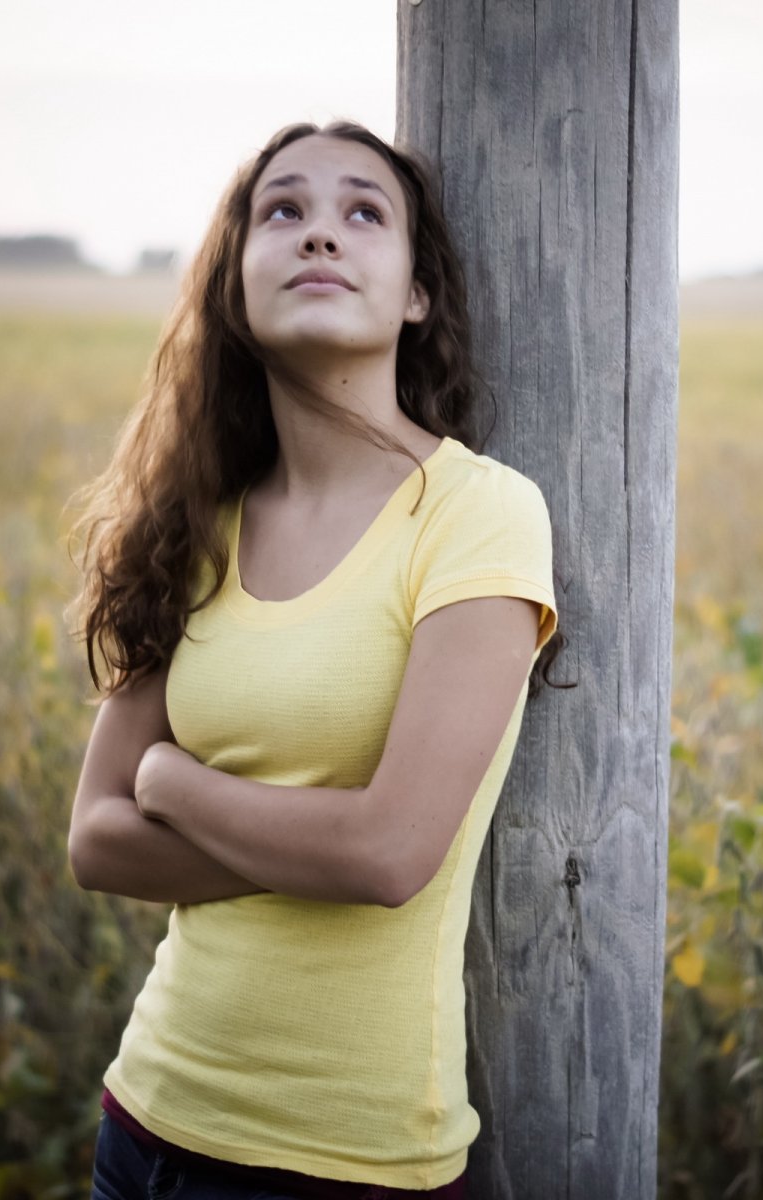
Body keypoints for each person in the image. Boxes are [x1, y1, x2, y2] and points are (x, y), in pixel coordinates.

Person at [62, 119, 569, 1200]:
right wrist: (311, 842)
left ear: (416, 294)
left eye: (363, 213)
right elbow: (96, 840)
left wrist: (174, 783)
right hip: (144, 1121)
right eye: (282, 210)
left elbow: (390, 857)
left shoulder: (478, 514)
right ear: (235, 287)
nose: (320, 235)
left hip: (345, 1163)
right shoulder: (200, 525)